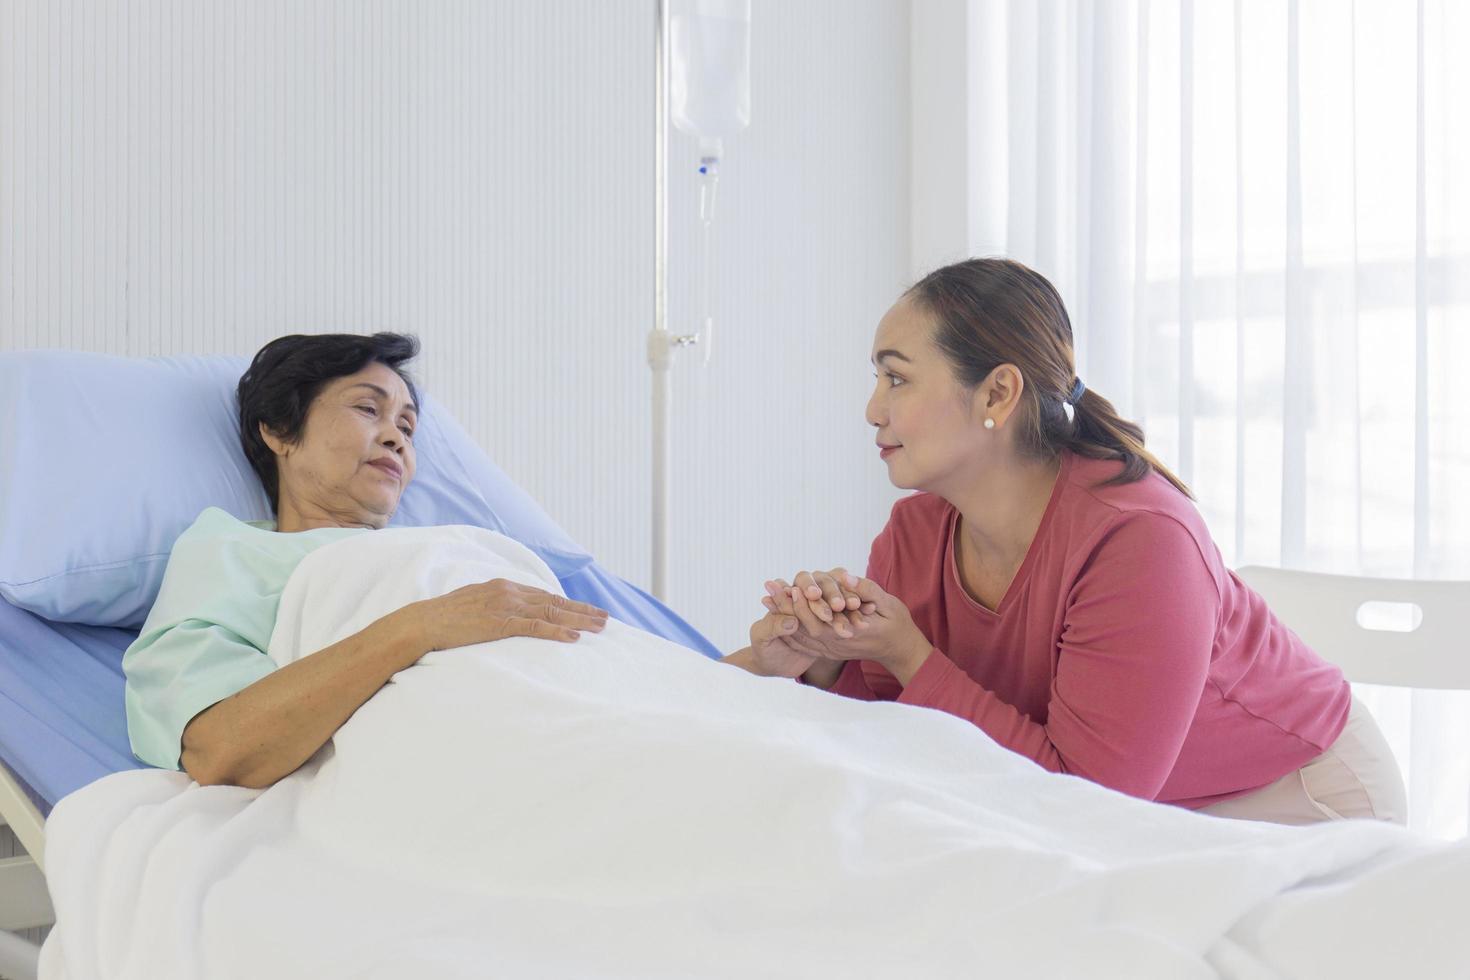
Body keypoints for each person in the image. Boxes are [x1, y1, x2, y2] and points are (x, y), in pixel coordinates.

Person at [724, 257, 1407, 827]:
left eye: (896, 377)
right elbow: (891, 725)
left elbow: (1090, 798)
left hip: (1296, 799)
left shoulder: (1140, 540)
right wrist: (809, 660)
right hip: (1141, 816)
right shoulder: (915, 533)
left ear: (997, 394)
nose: (874, 408)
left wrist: (909, 653)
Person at [123, 333, 609, 789]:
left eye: (407, 426)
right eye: (368, 408)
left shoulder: (453, 547)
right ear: (278, 431)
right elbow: (219, 749)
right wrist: (421, 627)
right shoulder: (230, 552)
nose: (397, 438)